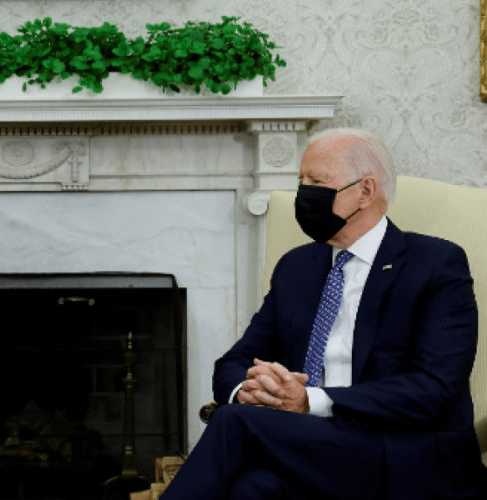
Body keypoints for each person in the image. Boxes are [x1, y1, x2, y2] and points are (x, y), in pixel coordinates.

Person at [161, 129, 486, 499]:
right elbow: (235, 361)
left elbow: (436, 389)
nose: (303, 193)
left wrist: (310, 401)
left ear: (365, 191)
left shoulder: (435, 263)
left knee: (234, 424)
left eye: (316, 182)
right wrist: (247, 391)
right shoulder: (297, 266)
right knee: (250, 488)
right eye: (300, 181)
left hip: (400, 450)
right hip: (315, 448)